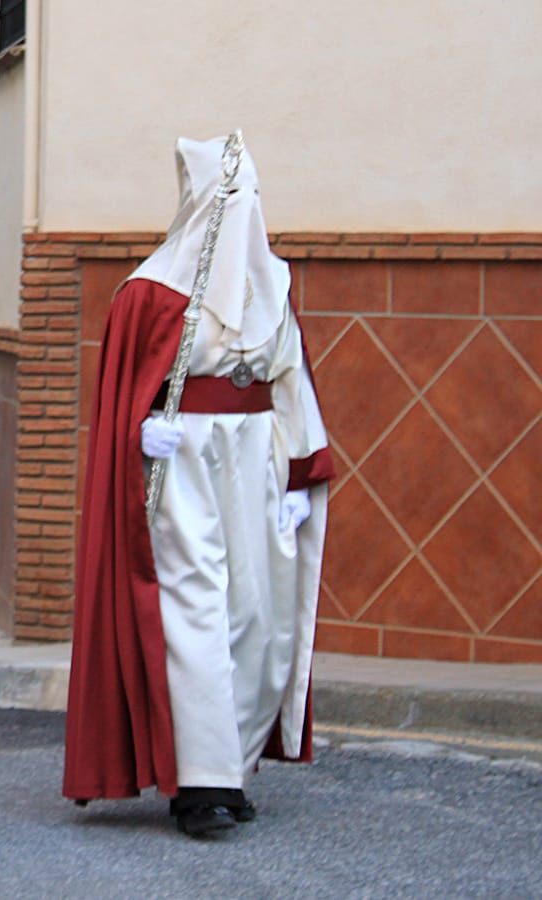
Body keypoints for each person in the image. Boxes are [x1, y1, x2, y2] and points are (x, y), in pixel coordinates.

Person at [62, 135, 334, 838]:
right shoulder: (151, 292)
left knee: (256, 612)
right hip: (181, 464)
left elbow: (290, 382)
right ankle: (202, 784)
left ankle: (234, 765)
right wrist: (140, 434)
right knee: (194, 611)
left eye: (251, 199)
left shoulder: (272, 284)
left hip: (256, 461)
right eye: (229, 200)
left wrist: (302, 471)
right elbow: (128, 392)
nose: (243, 214)